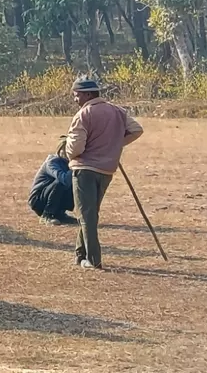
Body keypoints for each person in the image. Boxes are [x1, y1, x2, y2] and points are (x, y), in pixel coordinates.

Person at [63, 76, 144, 270]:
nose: (75, 99)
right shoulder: (117, 111)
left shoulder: (84, 114)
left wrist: (65, 149)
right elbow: (136, 130)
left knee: (86, 215)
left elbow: (75, 148)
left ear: (88, 94)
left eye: (77, 95)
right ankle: (79, 254)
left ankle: (93, 260)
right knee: (90, 213)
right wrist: (113, 146)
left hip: (84, 170)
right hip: (107, 170)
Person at [29, 139, 77, 226]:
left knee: (78, 182)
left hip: (51, 195)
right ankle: (46, 215)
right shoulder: (52, 162)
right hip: (38, 200)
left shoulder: (68, 162)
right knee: (61, 182)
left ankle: (60, 213)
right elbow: (64, 180)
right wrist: (73, 166)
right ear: (60, 150)